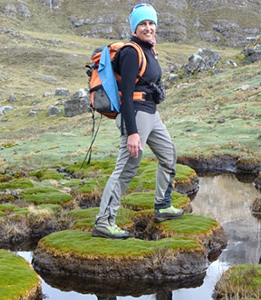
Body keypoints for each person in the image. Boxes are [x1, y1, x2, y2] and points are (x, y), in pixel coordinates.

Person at [93, 3, 183, 239]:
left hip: (152, 114)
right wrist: (132, 133)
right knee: (126, 166)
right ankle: (104, 221)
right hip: (136, 115)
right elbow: (127, 93)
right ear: (135, 28)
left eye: (151, 23)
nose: (148, 27)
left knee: (168, 155)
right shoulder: (131, 52)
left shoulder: (149, 50)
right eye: (143, 23)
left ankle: (163, 205)